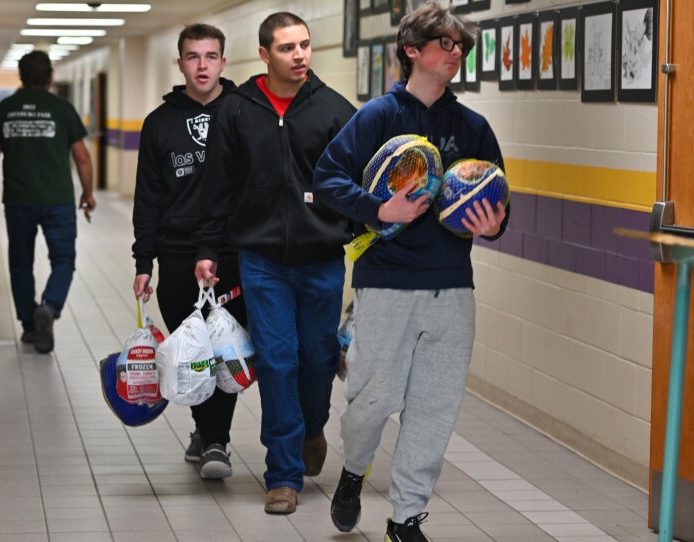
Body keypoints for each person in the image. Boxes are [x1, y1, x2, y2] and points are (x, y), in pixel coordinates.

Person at [312, 2, 510, 541]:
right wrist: (380, 210)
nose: (456, 54)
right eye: (446, 44)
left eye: (461, 46)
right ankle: (354, 470)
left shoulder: (473, 127)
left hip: (452, 290)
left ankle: (406, 517)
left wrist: (492, 225)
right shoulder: (379, 116)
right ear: (412, 50)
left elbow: (500, 207)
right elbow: (326, 179)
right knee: (371, 402)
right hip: (388, 284)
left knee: (434, 408)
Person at [194, 12, 356, 514]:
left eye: (305, 45)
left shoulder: (335, 110)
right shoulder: (236, 111)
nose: (300, 55)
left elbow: (357, 185)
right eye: (288, 48)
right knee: (278, 360)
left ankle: (311, 428)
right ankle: (282, 474)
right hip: (261, 260)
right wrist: (206, 249)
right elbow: (216, 187)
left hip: (323, 258)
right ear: (264, 55)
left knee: (317, 357)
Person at [131, 23, 247, 479]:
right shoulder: (159, 123)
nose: (202, 65)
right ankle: (206, 429)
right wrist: (144, 261)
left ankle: (215, 441)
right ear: (180, 63)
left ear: (224, 61)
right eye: (193, 57)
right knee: (192, 352)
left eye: (211, 56)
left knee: (225, 347)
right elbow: (148, 197)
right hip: (177, 255)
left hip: (231, 253)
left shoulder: (242, 113)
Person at [0, 50, 95, 354]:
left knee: (20, 264)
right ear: (50, 75)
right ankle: (50, 306)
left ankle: (30, 325)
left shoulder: (6, 108)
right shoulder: (62, 108)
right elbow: (81, 157)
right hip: (57, 200)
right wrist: (88, 192)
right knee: (63, 261)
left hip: (18, 200)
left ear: (20, 75)